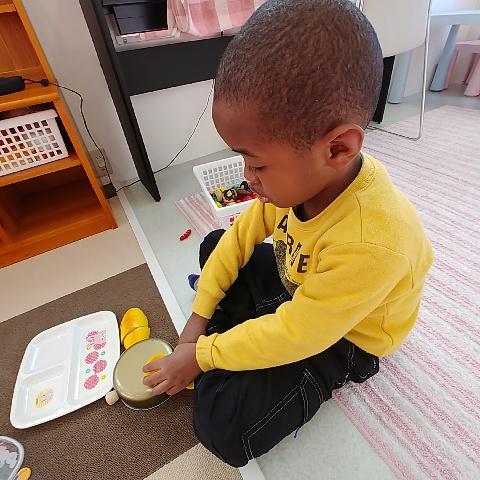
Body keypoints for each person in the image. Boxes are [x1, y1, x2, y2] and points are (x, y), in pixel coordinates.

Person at [143, 0, 434, 467]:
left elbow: (299, 332)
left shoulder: (371, 243)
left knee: (222, 426)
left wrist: (203, 355)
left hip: (344, 336)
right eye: (243, 159)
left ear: (337, 149)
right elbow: (239, 238)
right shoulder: (306, 178)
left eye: (257, 164)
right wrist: (196, 323)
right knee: (216, 245)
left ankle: (242, 340)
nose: (247, 177)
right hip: (301, 283)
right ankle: (240, 331)